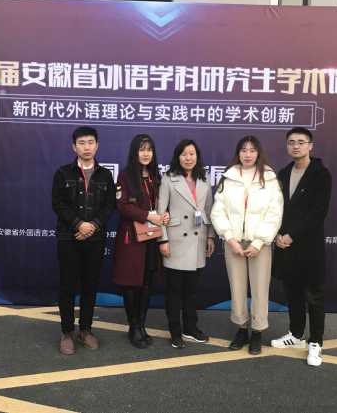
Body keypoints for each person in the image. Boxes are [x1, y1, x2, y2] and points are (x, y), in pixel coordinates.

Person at [211, 136, 283, 355]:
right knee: (237, 288)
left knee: (260, 289)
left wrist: (259, 242)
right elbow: (218, 211)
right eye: (243, 150)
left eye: (252, 150)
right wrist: (229, 238)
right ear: (238, 153)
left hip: (260, 244)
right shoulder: (229, 177)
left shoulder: (269, 178)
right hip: (233, 243)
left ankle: (257, 332)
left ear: (258, 153)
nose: (248, 154)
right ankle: (242, 329)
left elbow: (275, 212)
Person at [51, 126, 116, 355]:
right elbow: (58, 204)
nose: (86, 147)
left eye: (90, 142)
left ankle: (85, 330)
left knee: (90, 285)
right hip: (69, 237)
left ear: (97, 146)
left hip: (95, 239)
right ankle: (67, 332)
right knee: (67, 286)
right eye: (81, 143)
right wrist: (79, 224)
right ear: (74, 147)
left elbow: (109, 205)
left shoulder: (105, 175)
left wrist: (92, 226)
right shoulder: (63, 173)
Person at [271, 127, 332, 367]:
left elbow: (319, 212)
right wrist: (277, 234)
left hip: (309, 246)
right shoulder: (283, 173)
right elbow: (276, 208)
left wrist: (291, 235)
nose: (296, 146)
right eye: (291, 142)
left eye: (301, 142)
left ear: (310, 146)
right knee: (292, 293)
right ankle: (296, 334)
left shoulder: (321, 174)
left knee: (314, 296)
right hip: (285, 246)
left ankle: (315, 342)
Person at [112, 134, 169, 349]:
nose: (146, 154)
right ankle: (133, 326)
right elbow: (123, 206)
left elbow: (162, 204)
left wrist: (164, 216)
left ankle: (142, 324)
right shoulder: (125, 176)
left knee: (146, 282)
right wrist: (148, 216)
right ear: (134, 152)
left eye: (149, 149)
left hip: (151, 238)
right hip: (132, 238)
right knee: (131, 282)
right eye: (142, 149)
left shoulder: (156, 177)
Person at [157, 139, 215, 348]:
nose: (188, 158)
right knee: (174, 291)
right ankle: (175, 332)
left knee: (192, 291)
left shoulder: (204, 179)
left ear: (197, 156)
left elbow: (208, 210)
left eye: (192, 154)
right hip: (175, 241)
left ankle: (190, 328)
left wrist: (210, 237)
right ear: (177, 157)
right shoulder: (168, 179)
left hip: (198, 240)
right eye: (184, 154)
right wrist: (162, 239)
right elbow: (160, 212)